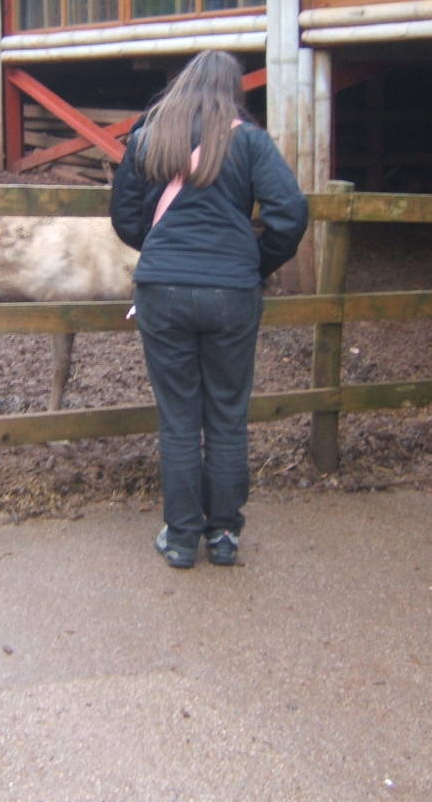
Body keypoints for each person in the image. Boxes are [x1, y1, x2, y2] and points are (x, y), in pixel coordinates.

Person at [110, 51, 309, 570]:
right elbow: (290, 213)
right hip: (232, 295)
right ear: (232, 90)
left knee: (178, 418)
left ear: (183, 84)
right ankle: (223, 535)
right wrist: (254, 262)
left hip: (163, 289)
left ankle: (180, 539)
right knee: (226, 415)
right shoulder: (249, 140)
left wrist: (158, 249)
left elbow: (125, 216)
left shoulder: (149, 136)